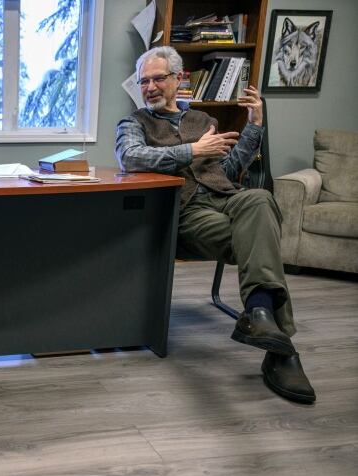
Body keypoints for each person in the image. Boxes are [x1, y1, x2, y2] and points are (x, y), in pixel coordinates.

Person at [115, 46, 315, 404]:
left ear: (178, 80)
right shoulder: (134, 123)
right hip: (188, 211)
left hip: (228, 198)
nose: (149, 87)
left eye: (158, 78)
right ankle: (280, 349)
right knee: (261, 239)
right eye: (144, 81)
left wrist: (255, 126)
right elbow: (131, 157)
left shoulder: (204, 121)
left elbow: (230, 168)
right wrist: (193, 151)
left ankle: (259, 314)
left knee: (259, 199)